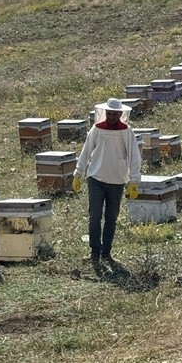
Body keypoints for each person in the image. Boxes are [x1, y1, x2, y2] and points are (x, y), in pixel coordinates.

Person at [72, 98, 142, 270]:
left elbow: (134, 156)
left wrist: (134, 180)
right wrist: (78, 173)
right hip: (96, 178)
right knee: (94, 216)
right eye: (109, 114)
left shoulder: (126, 131)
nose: (111, 117)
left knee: (111, 218)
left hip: (117, 180)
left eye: (114, 114)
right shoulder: (97, 129)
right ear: (105, 113)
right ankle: (94, 252)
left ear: (120, 114)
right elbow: (86, 151)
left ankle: (106, 253)